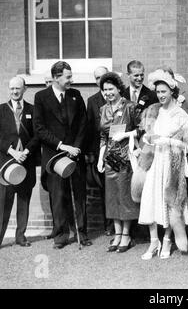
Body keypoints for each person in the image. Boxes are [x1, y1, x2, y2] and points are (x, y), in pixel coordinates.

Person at [33, 61, 91, 249]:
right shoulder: (41, 97)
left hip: (75, 154)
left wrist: (75, 148)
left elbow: (84, 124)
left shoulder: (76, 95)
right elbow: (39, 129)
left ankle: (81, 232)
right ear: (56, 78)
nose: (71, 80)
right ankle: (61, 235)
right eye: (67, 77)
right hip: (54, 155)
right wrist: (62, 146)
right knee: (58, 196)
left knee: (79, 195)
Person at [138, 69, 188, 260]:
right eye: (158, 92)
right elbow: (145, 136)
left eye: (164, 91)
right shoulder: (153, 111)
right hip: (155, 161)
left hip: (172, 162)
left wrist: (168, 142)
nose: (161, 95)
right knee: (151, 198)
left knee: (169, 201)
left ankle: (168, 239)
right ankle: (154, 241)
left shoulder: (181, 114)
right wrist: (148, 138)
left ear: (172, 92)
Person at [97, 72, 139, 253]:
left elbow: (142, 129)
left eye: (111, 89)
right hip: (110, 159)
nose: (108, 93)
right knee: (112, 196)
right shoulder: (103, 109)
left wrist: (127, 134)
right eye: (105, 90)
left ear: (118, 88)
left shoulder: (130, 106)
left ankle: (127, 235)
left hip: (125, 157)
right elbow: (103, 137)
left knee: (124, 195)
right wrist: (100, 159)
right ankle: (117, 232)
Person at [0, 77, 40, 247]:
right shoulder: (1, 110)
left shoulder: (33, 109)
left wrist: (25, 152)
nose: (15, 92)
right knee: (4, 204)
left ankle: (20, 236)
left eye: (18, 88)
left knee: (24, 201)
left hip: (26, 162)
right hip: (7, 164)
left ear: (25, 88)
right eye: (12, 89)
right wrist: (12, 152)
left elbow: (38, 135)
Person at [86, 66, 114, 236]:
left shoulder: (119, 96)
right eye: (97, 78)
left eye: (103, 76)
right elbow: (89, 129)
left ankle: (125, 227)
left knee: (119, 189)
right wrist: (91, 153)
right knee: (105, 190)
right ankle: (108, 225)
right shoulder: (92, 100)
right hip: (101, 153)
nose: (100, 80)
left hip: (120, 151)